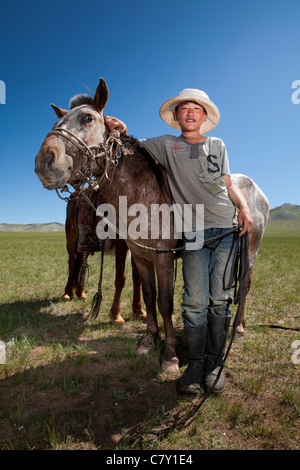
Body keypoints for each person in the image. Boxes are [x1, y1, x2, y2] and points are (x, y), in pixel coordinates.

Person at [105, 88, 253, 395]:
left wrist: (244, 207)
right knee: (195, 300)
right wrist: (120, 126)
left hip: (225, 226)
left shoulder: (217, 144)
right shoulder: (165, 144)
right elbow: (132, 143)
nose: (189, 114)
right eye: (184, 109)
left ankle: (213, 366)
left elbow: (227, 183)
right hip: (194, 232)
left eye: (195, 110)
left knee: (220, 297)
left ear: (203, 116)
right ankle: (195, 364)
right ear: (176, 117)